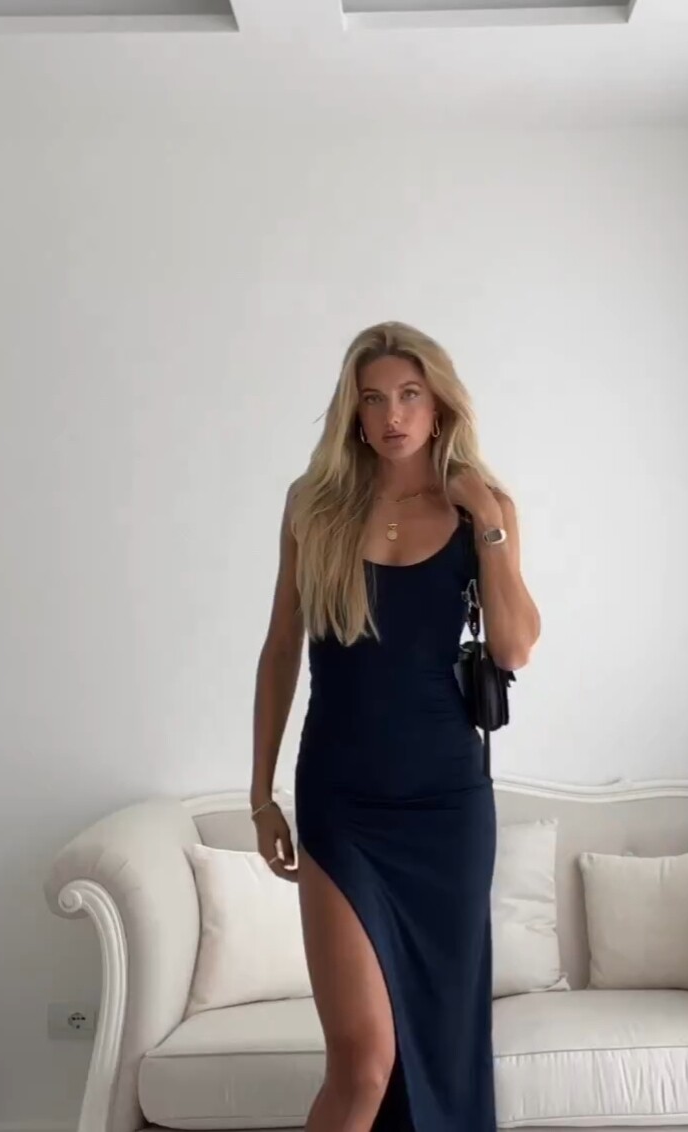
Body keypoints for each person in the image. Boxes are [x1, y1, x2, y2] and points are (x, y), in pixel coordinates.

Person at [249, 320, 541, 1132]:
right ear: (353, 412)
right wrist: (261, 795)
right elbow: (280, 651)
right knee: (363, 1060)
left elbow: (514, 647)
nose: (393, 414)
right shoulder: (314, 508)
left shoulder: (483, 509)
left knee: (438, 1051)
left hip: (446, 809)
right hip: (341, 804)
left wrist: (488, 522)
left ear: (439, 404)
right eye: (373, 398)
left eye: (410, 394)